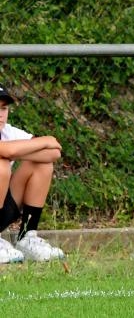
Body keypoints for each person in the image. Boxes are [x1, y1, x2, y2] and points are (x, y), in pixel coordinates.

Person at [0, 84, 65, 263]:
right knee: (1, 166)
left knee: (42, 164)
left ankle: (27, 237)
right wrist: (45, 140)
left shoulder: (8, 132)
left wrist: (46, 143)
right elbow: (8, 153)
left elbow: (54, 153)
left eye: (4, 108)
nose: (0, 114)